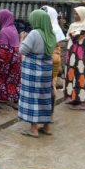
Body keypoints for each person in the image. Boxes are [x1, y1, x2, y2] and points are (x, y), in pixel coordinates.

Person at [18, 10, 56, 138]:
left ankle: (33, 129)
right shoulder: (50, 33)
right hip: (46, 69)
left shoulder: (34, 33)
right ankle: (47, 126)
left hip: (33, 70)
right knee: (44, 96)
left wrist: (22, 39)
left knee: (32, 97)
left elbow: (22, 50)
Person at [64, 6, 85, 110]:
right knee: (70, 75)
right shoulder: (73, 25)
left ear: (83, 15)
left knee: (80, 75)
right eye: (75, 13)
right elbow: (69, 36)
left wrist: (71, 33)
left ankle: (82, 102)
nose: (75, 15)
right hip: (70, 53)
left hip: (80, 55)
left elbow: (75, 36)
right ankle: (73, 98)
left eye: (77, 14)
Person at [0, 9, 21, 103]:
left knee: (0, 78)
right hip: (16, 58)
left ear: (4, 18)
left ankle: (1, 97)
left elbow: (3, 50)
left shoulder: (4, 31)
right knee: (12, 79)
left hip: (7, 59)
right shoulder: (13, 28)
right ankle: (12, 96)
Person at [42, 5, 66, 97]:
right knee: (53, 78)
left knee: (48, 80)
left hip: (48, 57)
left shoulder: (49, 28)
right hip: (55, 56)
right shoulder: (56, 28)